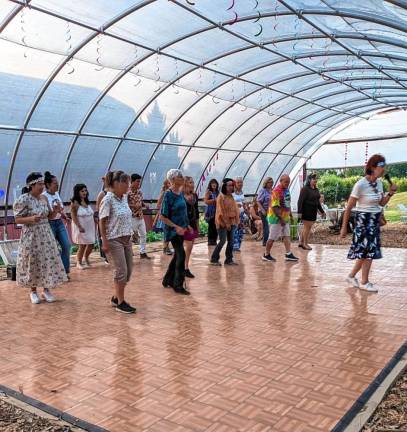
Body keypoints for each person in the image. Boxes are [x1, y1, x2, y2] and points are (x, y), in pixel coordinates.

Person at [341, 154, 397, 292]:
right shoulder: (360, 184)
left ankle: (351, 276)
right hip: (363, 221)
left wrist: (390, 193)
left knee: (366, 252)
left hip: (374, 220)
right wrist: (343, 227)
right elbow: (348, 208)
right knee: (368, 252)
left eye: (384, 166)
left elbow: (381, 203)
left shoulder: (379, 183)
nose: (383, 169)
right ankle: (364, 282)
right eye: (381, 166)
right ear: (372, 167)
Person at [13, 172, 67, 304]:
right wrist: (31, 219)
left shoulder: (44, 198)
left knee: (47, 260)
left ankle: (46, 289)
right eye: (39, 184)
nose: (42, 186)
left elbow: (49, 217)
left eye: (43, 184)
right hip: (31, 235)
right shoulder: (24, 199)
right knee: (34, 261)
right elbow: (17, 219)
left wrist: (56, 210)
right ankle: (33, 291)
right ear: (31, 185)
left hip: (45, 233)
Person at [99, 171, 136, 313]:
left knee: (128, 272)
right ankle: (121, 303)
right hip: (114, 239)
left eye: (128, 182)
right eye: (125, 182)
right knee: (121, 271)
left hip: (127, 239)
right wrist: (105, 242)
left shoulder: (124, 197)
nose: (128, 185)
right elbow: (101, 221)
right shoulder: (108, 199)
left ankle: (116, 297)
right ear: (116, 184)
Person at [160, 169, 191, 295]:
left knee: (177, 255)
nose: (182, 178)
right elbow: (163, 216)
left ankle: (167, 279)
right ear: (173, 179)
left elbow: (182, 212)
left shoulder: (180, 193)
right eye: (180, 176)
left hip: (182, 229)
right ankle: (177, 284)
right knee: (181, 254)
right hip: (173, 231)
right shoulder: (168, 195)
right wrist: (176, 227)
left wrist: (187, 225)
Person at [262, 174, 299, 262]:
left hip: (285, 218)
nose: (287, 183)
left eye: (288, 182)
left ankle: (288, 253)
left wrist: (290, 215)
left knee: (287, 236)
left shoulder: (286, 190)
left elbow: (287, 203)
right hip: (276, 219)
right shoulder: (276, 191)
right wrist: (281, 218)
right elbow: (275, 207)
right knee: (272, 238)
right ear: (281, 181)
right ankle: (266, 254)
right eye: (286, 182)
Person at [43, 171, 71, 277]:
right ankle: (54, 271)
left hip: (59, 222)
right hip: (49, 223)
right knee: (52, 248)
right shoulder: (44, 196)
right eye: (55, 183)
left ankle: (64, 271)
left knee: (66, 245)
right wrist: (56, 210)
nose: (57, 184)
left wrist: (64, 215)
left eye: (57, 182)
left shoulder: (56, 194)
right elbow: (49, 214)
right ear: (48, 185)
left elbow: (59, 209)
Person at [210, 178, 240, 266]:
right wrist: (227, 223)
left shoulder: (231, 196)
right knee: (222, 241)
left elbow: (235, 209)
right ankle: (214, 259)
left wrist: (237, 221)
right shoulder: (220, 197)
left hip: (232, 222)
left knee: (231, 241)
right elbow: (221, 212)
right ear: (224, 186)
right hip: (222, 223)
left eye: (232, 185)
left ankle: (229, 259)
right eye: (229, 185)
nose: (231, 187)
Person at [297, 173, 326, 250]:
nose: (315, 180)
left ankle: (301, 242)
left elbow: (318, 203)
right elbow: (300, 201)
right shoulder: (305, 189)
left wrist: (322, 211)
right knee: (307, 228)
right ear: (309, 180)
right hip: (306, 211)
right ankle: (305, 244)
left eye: (316, 179)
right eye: (314, 179)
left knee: (306, 228)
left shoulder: (316, 190)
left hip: (313, 212)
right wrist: (299, 213)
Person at [71, 184, 95, 270]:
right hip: (81, 227)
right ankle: (79, 262)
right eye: (82, 191)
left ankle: (87, 258)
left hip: (90, 227)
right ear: (77, 192)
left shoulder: (87, 201)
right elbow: (73, 216)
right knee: (82, 245)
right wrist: (79, 226)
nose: (84, 192)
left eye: (85, 190)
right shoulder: (75, 203)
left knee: (91, 244)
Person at [128, 173, 150, 259]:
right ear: (132, 182)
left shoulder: (140, 192)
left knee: (143, 234)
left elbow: (141, 201)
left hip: (140, 216)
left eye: (139, 182)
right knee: (130, 235)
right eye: (137, 181)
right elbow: (125, 204)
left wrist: (145, 205)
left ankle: (143, 252)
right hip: (132, 217)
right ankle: (129, 252)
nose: (139, 184)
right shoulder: (127, 193)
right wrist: (134, 206)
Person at [183, 176, 199, 278]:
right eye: (190, 182)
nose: (192, 184)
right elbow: (181, 212)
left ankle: (185, 266)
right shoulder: (181, 196)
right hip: (184, 223)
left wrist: (197, 225)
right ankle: (185, 268)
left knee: (190, 247)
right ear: (185, 184)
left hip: (193, 223)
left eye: (193, 182)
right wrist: (187, 225)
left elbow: (197, 211)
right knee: (188, 246)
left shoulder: (194, 196)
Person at [153, 179, 173, 255]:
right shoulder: (164, 193)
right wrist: (162, 211)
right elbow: (158, 204)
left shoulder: (172, 193)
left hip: (170, 215)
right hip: (164, 215)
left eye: (170, 183)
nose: (170, 184)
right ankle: (165, 248)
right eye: (168, 183)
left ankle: (167, 247)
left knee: (169, 231)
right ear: (166, 184)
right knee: (166, 232)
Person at [96, 176, 110, 263]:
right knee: (104, 237)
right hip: (104, 220)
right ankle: (106, 257)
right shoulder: (102, 193)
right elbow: (98, 207)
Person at [257, 177, 273, 246]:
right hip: (263, 211)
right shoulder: (263, 190)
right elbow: (258, 201)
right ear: (266, 183)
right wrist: (263, 210)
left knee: (269, 226)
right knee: (266, 226)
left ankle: (267, 240)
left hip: (270, 211)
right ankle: (265, 242)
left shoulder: (271, 190)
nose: (271, 184)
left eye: (272, 182)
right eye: (270, 182)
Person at [232, 176, 247, 252]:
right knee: (235, 230)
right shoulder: (232, 193)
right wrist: (235, 205)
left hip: (241, 214)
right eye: (238, 182)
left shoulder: (242, 193)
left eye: (241, 182)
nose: (240, 184)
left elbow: (243, 203)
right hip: (234, 214)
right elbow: (230, 202)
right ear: (235, 183)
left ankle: (238, 245)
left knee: (241, 230)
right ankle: (235, 246)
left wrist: (246, 210)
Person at [204, 179, 219, 246]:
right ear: (210, 184)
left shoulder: (218, 192)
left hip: (217, 211)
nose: (214, 184)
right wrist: (214, 200)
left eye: (215, 183)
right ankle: (210, 241)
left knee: (216, 226)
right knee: (211, 226)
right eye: (212, 183)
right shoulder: (208, 192)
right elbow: (206, 201)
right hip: (210, 212)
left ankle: (214, 240)